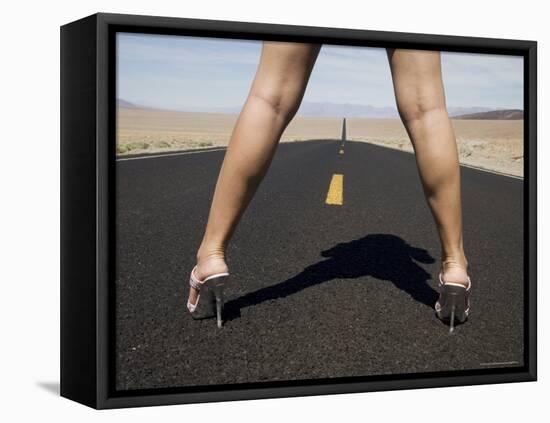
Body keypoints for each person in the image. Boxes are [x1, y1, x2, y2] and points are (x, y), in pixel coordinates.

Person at [186, 42, 471, 331]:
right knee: (427, 109)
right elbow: (421, 257)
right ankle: (455, 264)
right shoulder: (407, 250)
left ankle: (211, 255)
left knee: (270, 99)